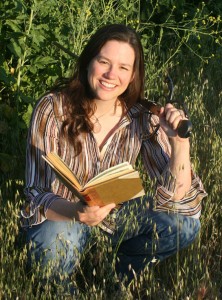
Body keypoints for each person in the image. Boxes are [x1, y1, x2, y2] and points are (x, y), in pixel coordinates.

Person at [21, 24, 207, 291]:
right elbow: (34, 192)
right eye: (104, 62)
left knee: (185, 225)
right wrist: (77, 212)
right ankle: (62, 288)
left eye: (123, 68)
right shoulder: (53, 108)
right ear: (88, 63)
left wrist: (180, 142)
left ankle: (113, 277)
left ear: (133, 75)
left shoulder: (142, 117)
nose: (111, 75)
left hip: (114, 217)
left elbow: (176, 199)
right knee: (56, 246)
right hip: (63, 217)